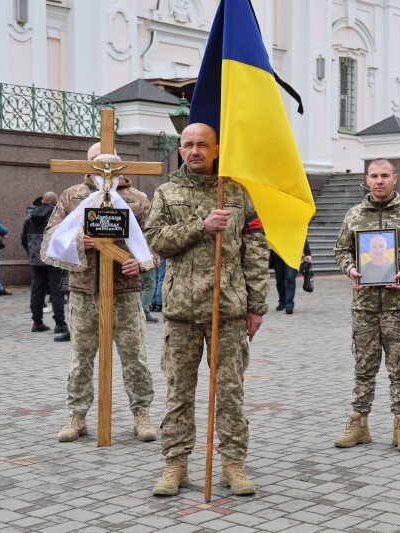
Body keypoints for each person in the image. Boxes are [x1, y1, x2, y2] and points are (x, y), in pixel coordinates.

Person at [144, 122, 269, 496]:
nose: (195, 150)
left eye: (202, 145)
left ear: (216, 150)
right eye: (188, 145)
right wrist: (201, 225)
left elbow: (256, 251)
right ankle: (175, 465)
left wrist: (257, 305)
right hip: (181, 311)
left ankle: (233, 464)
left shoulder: (236, 192)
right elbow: (156, 241)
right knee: (178, 392)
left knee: (230, 392)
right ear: (180, 150)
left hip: (228, 310)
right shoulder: (166, 192)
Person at [42, 142, 157, 443]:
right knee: (81, 358)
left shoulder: (137, 199)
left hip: (126, 291)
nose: (101, 168)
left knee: (135, 357)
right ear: (87, 164)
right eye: (95, 161)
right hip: (83, 290)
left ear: (118, 164)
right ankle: (77, 415)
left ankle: (141, 413)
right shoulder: (72, 196)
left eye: (107, 162)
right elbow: (52, 235)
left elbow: (155, 240)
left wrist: (142, 263)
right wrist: (78, 240)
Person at [333, 158, 400, 452]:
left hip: (397, 307)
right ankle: (359, 425)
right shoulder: (354, 216)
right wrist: (350, 268)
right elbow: (341, 249)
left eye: (384, 176)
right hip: (364, 306)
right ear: (366, 180)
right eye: (373, 176)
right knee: (363, 367)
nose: (379, 181)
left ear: (395, 179)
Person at [22, 191, 67, 334]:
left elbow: (23, 238)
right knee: (56, 290)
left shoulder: (30, 216)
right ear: (56, 201)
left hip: (36, 258)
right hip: (54, 257)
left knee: (37, 290)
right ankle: (59, 324)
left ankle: (37, 322)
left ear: (42, 200)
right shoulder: (57, 216)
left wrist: (32, 253)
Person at [270, 240, 312, 314]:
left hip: (292, 254)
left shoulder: (295, 227)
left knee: (290, 278)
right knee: (279, 280)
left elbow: (302, 234)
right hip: (278, 254)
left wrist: (307, 253)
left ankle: (289, 304)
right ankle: (282, 301)